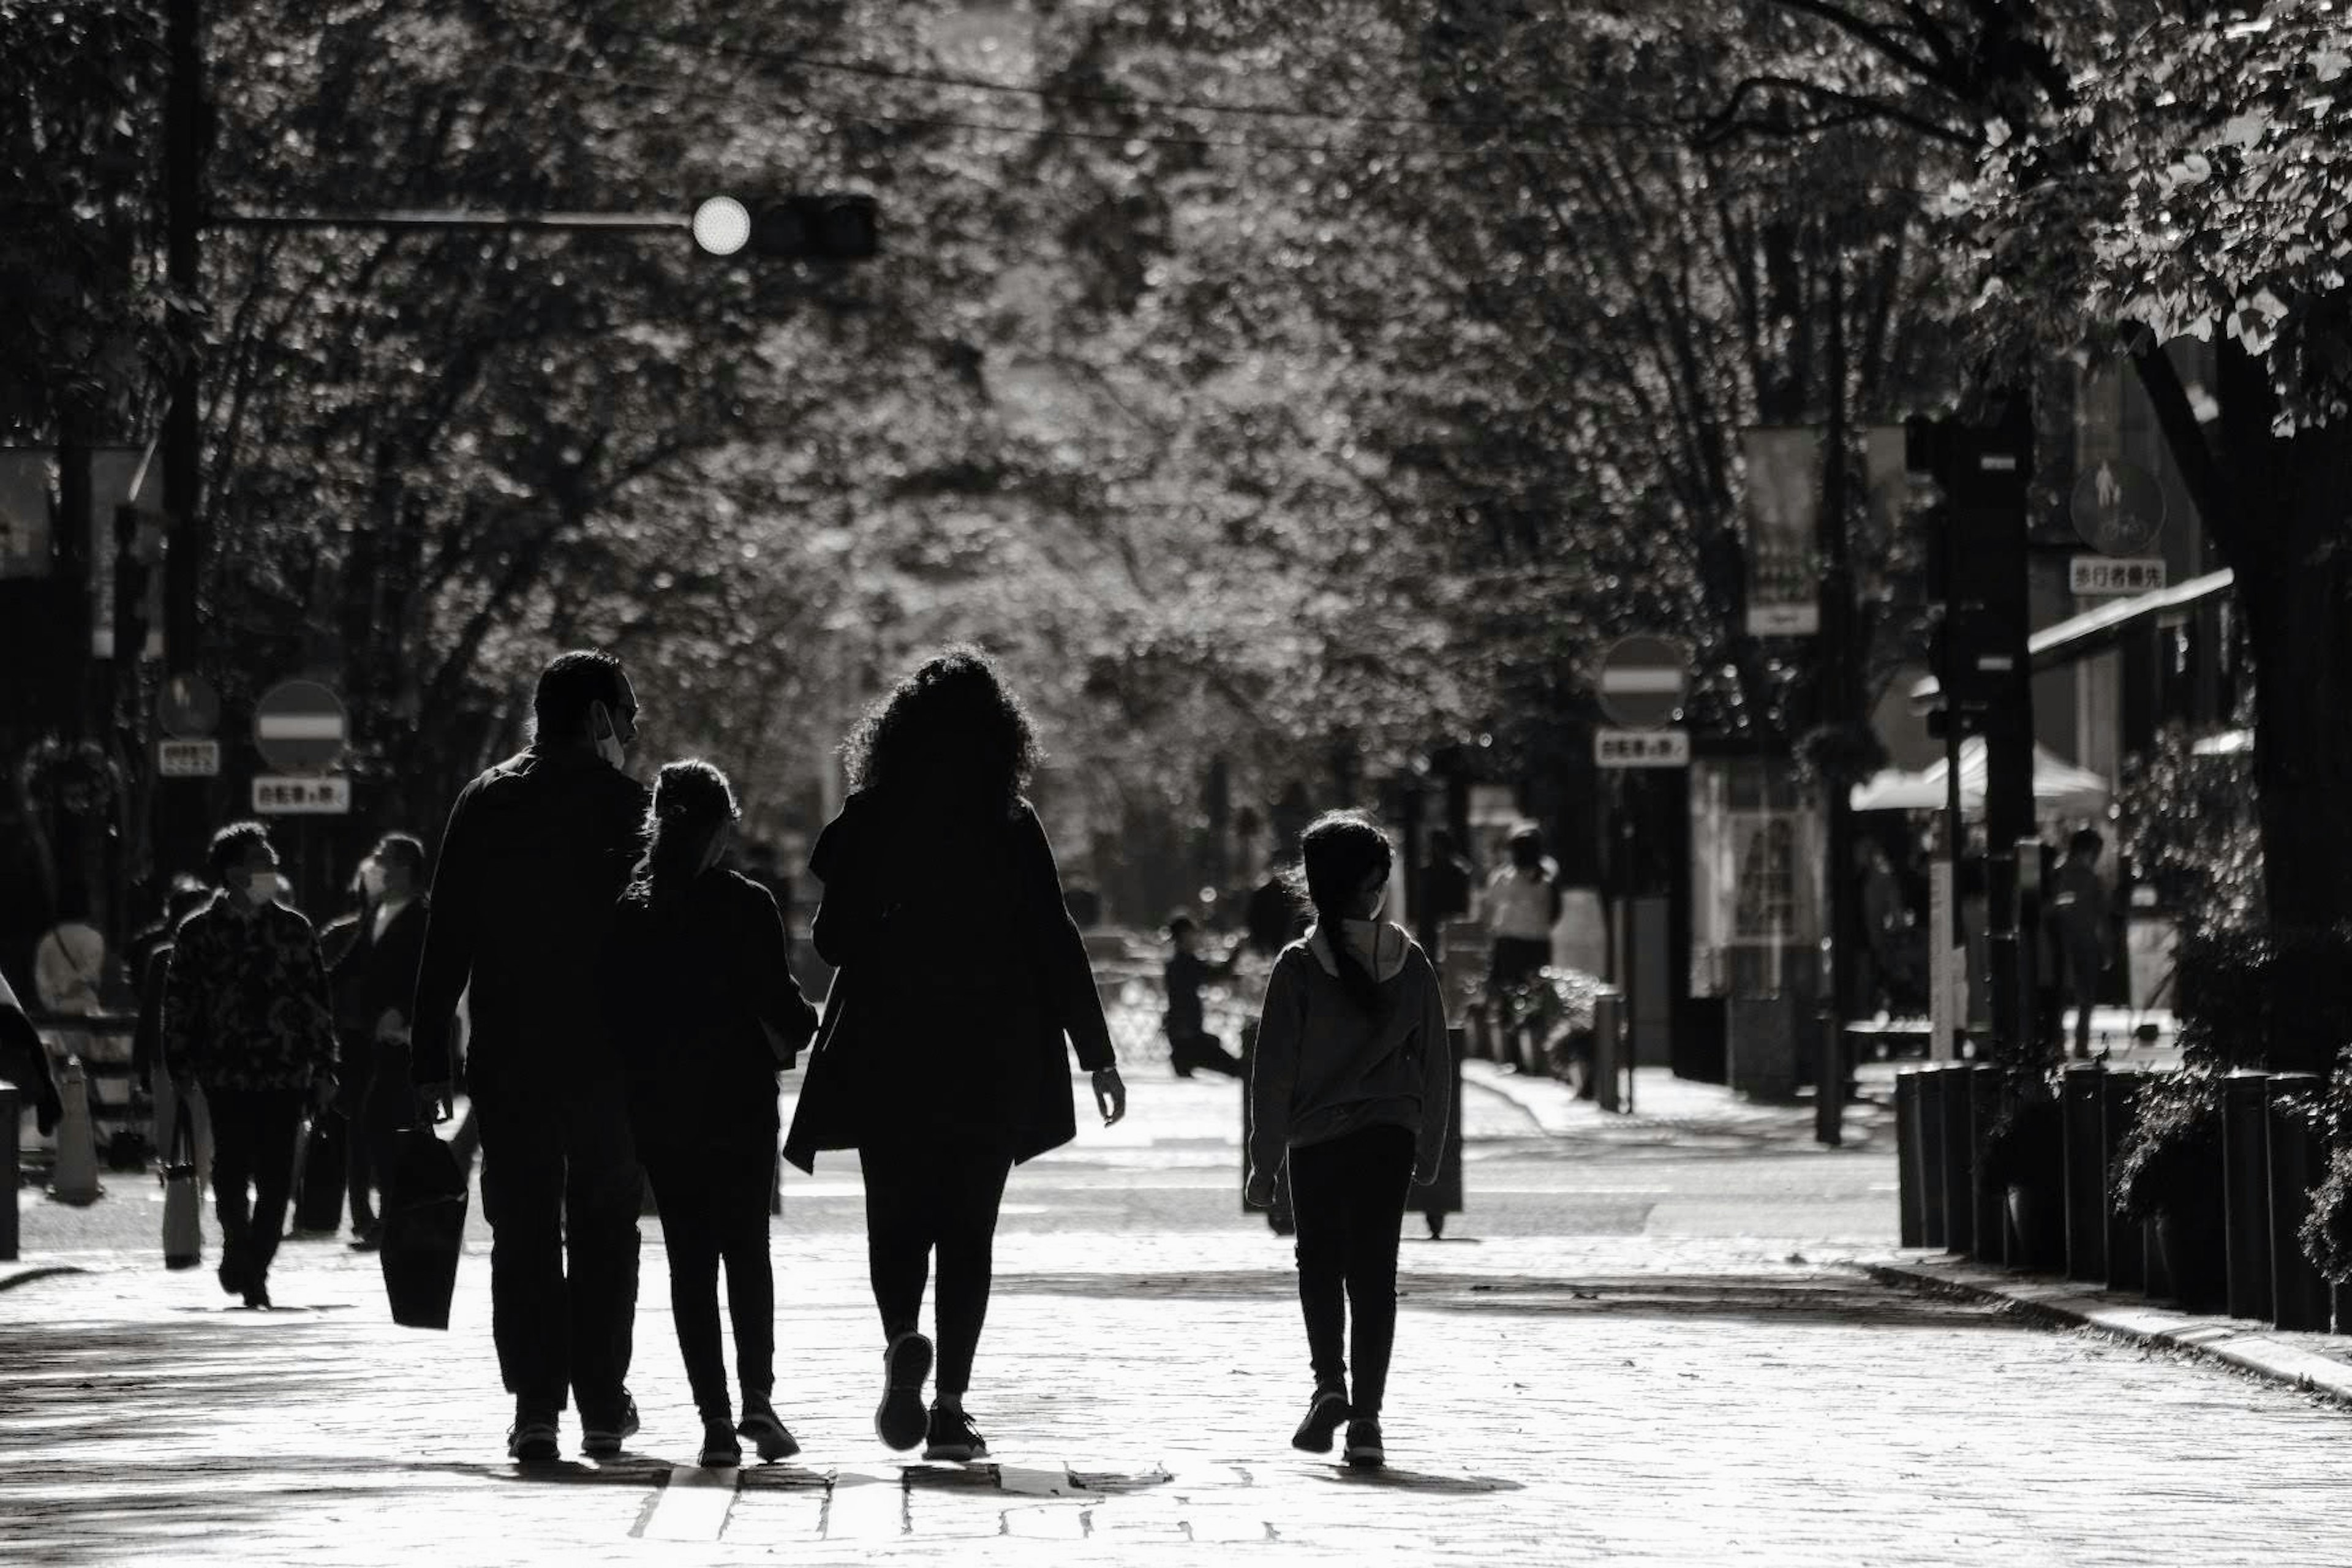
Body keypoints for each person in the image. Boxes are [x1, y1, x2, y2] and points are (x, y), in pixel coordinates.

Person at [783, 647, 1127, 1465]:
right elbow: (1056, 939)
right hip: (992, 1052)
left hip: (887, 1048)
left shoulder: (867, 818)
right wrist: (1097, 1053)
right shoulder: (1010, 825)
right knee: (968, 1232)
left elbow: (830, 942)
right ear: (1000, 736)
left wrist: (889, 922)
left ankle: (903, 1338)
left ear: (896, 731)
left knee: (894, 1219)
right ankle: (949, 1406)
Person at [410, 650, 651, 1463]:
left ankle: (536, 1405)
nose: (628, 729)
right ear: (592, 716)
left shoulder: (486, 801)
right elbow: (661, 940)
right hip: (610, 1057)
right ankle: (602, 1400)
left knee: (521, 1228)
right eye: (623, 712)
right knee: (605, 1226)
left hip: (510, 1055)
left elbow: (446, 937)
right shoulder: (629, 809)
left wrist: (427, 1056)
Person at [607, 762, 820, 1468]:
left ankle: (716, 1421)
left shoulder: (632, 907)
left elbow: (615, 1020)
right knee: (746, 1252)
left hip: (662, 1110)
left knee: (691, 1263)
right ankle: (759, 1395)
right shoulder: (746, 904)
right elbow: (784, 1008)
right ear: (725, 823)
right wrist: (808, 1020)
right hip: (739, 1104)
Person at [1246, 811, 1450, 1472]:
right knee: (1375, 1275)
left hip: (1316, 1141)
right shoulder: (1411, 960)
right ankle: (1368, 1422)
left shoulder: (1301, 965)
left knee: (1319, 1265)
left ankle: (1328, 1381)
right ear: (1373, 883)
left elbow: (1273, 1070)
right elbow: (1437, 1063)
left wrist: (1264, 1160)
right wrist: (1432, 1146)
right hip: (1389, 1136)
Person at [162, 821, 339, 1309]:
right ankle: (238, 1243)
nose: (272, 870)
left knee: (279, 1173)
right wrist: (178, 1060)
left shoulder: (294, 929)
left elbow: (315, 1003)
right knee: (232, 1164)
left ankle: (255, 1261)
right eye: (262, 863)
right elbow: (179, 1001)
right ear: (234, 871)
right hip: (226, 1069)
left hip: (286, 1069)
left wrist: (325, 1067)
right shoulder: (199, 932)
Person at [334, 835, 431, 1251]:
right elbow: (350, 964)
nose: (377, 868)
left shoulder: (424, 915)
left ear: (406, 866)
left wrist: (406, 1012)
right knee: (384, 1126)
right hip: (377, 1038)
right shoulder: (376, 910)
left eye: (385, 860)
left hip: (409, 1040)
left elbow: (431, 974)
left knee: (385, 1122)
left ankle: (399, 1218)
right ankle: (399, 1216)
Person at [2049, 827, 2113, 1060]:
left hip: (2060, 942)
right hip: (2085, 943)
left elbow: (2056, 908)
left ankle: (2058, 1044)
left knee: (2061, 998)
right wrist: (2107, 949)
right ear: (2089, 851)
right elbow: (2101, 919)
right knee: (2086, 998)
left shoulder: (2057, 875)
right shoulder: (2091, 879)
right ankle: (2080, 1044)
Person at [1163, 915, 1244, 1079]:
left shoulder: (1179, 964)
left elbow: (1212, 975)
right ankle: (1182, 1059)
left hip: (1186, 1034)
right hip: (1189, 1037)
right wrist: (1238, 950)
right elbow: (1217, 973)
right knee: (1238, 1069)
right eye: (1192, 934)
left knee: (1217, 1047)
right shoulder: (1185, 964)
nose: (1196, 938)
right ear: (1184, 936)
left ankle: (1182, 1059)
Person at [1483, 824, 1560, 994]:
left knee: (1509, 990)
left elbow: (1489, 909)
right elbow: (1555, 913)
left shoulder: (1504, 877)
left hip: (1510, 942)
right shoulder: (1547, 879)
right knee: (1536, 990)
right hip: (1538, 941)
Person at [1414, 827, 1474, 959]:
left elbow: (1463, 901)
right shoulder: (1428, 871)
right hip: (1433, 923)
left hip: (1449, 920)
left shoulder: (1457, 871)